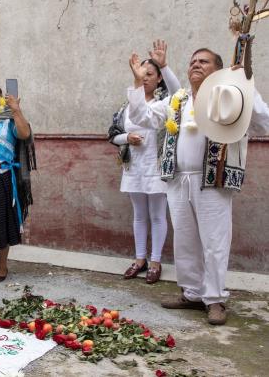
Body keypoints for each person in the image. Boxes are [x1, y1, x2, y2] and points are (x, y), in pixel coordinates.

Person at [126, 47, 269, 324]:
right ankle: (191, 293)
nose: (196, 65)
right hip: (178, 179)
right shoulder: (177, 99)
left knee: (214, 241)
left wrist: (245, 85)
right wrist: (135, 82)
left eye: (203, 61)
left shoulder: (230, 97)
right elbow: (143, 117)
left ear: (217, 70)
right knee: (185, 239)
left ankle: (214, 298)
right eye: (192, 61)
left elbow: (264, 123)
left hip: (212, 180)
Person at [108, 40, 180, 283]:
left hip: (156, 166)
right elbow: (112, 136)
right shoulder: (126, 107)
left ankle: (156, 261)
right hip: (134, 166)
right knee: (139, 214)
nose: (146, 78)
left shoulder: (165, 103)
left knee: (158, 214)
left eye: (150, 74)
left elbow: (177, 91)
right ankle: (140, 259)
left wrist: (164, 64)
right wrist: (126, 137)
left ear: (159, 78)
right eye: (142, 74)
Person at [0, 86, 32, 282]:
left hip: (2, 175)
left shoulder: (8, 119)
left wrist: (16, 111)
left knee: (1, 220)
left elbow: (24, 134)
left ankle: (2, 266)